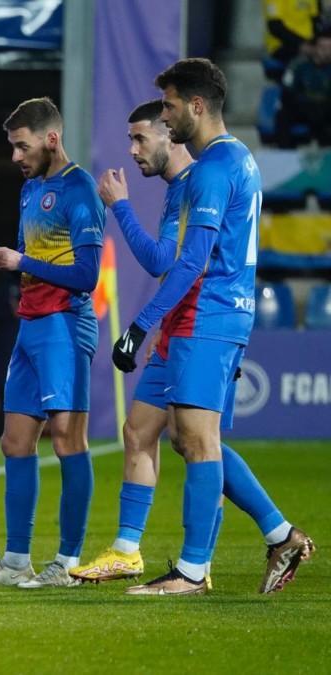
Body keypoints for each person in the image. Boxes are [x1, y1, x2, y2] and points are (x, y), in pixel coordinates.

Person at [72, 99, 314, 593]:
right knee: (141, 430)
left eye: (141, 137)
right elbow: (165, 257)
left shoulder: (202, 177)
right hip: (183, 324)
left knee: (198, 441)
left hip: (205, 321)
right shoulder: (183, 187)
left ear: (170, 133)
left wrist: (141, 320)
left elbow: (182, 262)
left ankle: (196, 569)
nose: (133, 149)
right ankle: (127, 550)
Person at [0, 97, 104, 589]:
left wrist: (20, 263)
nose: (16, 157)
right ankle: (17, 559)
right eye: (13, 147)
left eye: (22, 146)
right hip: (31, 325)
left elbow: (85, 275)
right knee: (15, 442)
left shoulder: (80, 190)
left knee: (67, 440)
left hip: (65, 325)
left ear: (51, 139)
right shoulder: (31, 190)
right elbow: (34, 256)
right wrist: (0, 254)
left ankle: (66, 562)